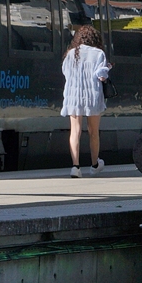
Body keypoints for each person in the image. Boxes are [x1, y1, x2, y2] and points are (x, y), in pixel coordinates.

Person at [61, 24, 110, 177]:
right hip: (92, 97)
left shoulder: (70, 54)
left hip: (73, 97)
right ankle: (95, 165)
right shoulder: (99, 53)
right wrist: (107, 68)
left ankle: (75, 167)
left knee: (75, 131)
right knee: (93, 132)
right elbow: (101, 76)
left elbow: (65, 73)